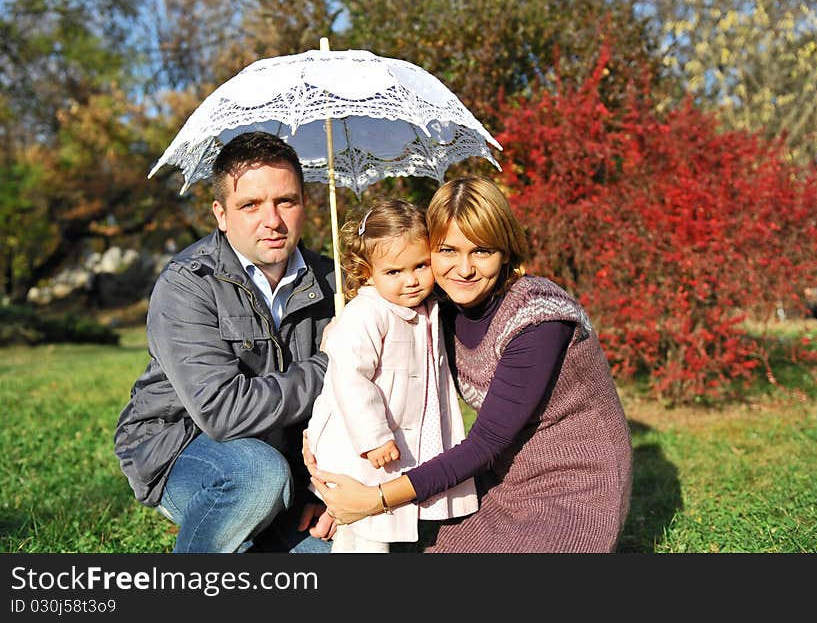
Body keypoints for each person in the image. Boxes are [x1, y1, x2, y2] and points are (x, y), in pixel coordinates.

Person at [307, 176, 633, 553]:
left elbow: (486, 442)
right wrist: (331, 452)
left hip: (575, 484)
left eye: (482, 251)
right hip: (502, 478)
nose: (463, 269)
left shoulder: (538, 318)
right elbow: (365, 374)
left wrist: (374, 500)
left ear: (506, 252)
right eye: (447, 250)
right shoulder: (437, 312)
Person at [114, 131, 337, 553]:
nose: (271, 220)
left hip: (292, 463)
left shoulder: (333, 282)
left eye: (285, 201)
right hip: (179, 448)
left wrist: (325, 491)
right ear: (221, 214)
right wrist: (329, 367)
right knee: (255, 476)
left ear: (304, 205)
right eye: (250, 205)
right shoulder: (187, 285)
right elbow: (222, 413)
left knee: (338, 553)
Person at [307, 200, 478, 553]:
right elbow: (351, 378)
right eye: (394, 272)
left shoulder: (426, 308)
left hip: (396, 439)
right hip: (364, 444)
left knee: (375, 525)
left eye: (421, 266)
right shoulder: (368, 313)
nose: (412, 280)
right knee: (368, 529)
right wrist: (373, 437)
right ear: (368, 272)